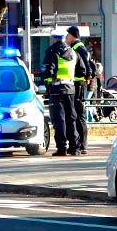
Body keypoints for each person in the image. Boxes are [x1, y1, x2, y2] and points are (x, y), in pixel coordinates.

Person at [41, 30, 80, 156]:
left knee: (59, 120)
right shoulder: (73, 52)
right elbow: (82, 69)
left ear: (53, 38)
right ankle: (74, 147)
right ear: (64, 38)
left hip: (57, 89)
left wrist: (47, 86)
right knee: (71, 118)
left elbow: (48, 71)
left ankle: (62, 148)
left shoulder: (52, 51)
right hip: (70, 89)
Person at [65, 26, 90, 154]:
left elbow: (87, 65)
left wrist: (87, 76)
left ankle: (82, 145)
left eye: (67, 35)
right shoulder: (75, 47)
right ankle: (80, 144)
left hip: (78, 84)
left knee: (79, 115)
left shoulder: (78, 48)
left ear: (73, 36)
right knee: (76, 114)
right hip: (76, 84)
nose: (66, 38)